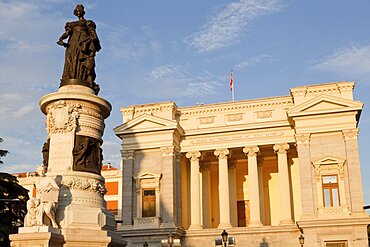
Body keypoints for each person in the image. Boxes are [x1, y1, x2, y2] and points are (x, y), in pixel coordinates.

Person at [57, 4, 101, 93]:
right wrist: (61, 39)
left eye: (80, 10)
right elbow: (67, 33)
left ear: (83, 11)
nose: (78, 12)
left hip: (83, 44)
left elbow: (94, 36)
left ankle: (84, 78)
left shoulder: (88, 23)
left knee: (85, 64)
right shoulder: (71, 24)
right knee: (71, 61)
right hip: (72, 44)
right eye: (77, 10)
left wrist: (90, 40)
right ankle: (71, 78)